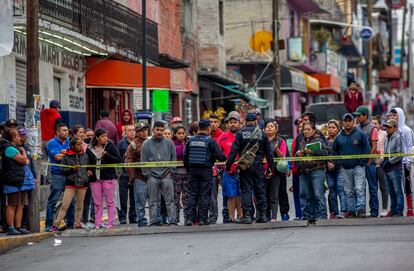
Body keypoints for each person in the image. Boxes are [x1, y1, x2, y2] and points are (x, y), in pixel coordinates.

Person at [226, 112, 274, 224]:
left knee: (246, 190)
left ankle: (247, 216)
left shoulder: (240, 133)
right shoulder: (262, 134)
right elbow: (269, 153)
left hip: (245, 166)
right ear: (256, 121)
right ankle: (262, 215)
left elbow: (233, 152)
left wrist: (228, 165)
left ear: (245, 121)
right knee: (260, 190)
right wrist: (271, 168)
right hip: (258, 165)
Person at [184, 119, 226, 226]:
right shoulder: (211, 141)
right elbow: (220, 157)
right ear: (208, 129)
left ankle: (189, 219)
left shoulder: (190, 141)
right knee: (204, 195)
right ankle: (203, 219)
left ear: (198, 129)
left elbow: (185, 158)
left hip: (193, 171)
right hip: (206, 171)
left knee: (192, 195)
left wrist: (189, 170)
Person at [332, 113, 371, 218]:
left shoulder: (360, 134)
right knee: (348, 191)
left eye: (350, 121)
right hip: (344, 169)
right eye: (346, 121)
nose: (348, 123)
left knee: (359, 188)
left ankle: (361, 209)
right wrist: (339, 163)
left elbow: (367, 149)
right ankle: (352, 211)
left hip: (358, 167)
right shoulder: (338, 137)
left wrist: (362, 162)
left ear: (353, 122)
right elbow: (333, 152)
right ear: (342, 122)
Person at [141, 121, 177, 226]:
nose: (160, 132)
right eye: (157, 130)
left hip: (167, 175)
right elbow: (144, 160)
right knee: (153, 201)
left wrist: (171, 171)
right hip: (152, 176)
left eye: (162, 130)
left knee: (170, 200)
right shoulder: (146, 144)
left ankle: (172, 220)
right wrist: (148, 175)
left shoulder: (170, 143)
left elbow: (173, 158)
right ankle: (154, 220)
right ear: (153, 130)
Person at [51, 137, 91, 231]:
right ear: (72, 146)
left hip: (82, 183)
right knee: (65, 205)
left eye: (81, 144)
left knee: (80, 206)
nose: (80, 146)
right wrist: (72, 169)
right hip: (70, 184)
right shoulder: (66, 156)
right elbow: (62, 171)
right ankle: (56, 224)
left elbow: (88, 166)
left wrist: (88, 171)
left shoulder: (85, 155)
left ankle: (77, 223)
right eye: (78, 144)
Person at [1, 128, 34, 235]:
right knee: (12, 205)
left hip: (20, 180)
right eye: (18, 136)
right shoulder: (9, 148)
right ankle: (11, 227)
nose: (19, 137)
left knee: (20, 205)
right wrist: (23, 152)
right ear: (14, 138)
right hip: (12, 180)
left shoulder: (15, 147)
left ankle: (18, 226)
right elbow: (24, 160)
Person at [86, 128, 121, 229]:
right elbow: (87, 161)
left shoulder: (110, 146)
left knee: (110, 201)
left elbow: (118, 159)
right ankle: (98, 223)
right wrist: (88, 169)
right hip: (95, 179)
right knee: (97, 202)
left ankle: (111, 223)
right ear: (97, 137)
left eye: (106, 136)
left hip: (108, 177)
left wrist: (106, 155)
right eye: (102, 136)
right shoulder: (90, 148)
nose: (105, 138)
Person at [296, 122, 328, 223]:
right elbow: (298, 156)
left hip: (317, 170)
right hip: (305, 171)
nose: (306, 131)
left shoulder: (318, 140)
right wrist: (298, 154)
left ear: (314, 130)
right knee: (307, 195)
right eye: (304, 129)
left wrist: (312, 152)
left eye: (308, 129)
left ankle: (322, 215)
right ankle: (309, 216)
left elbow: (325, 153)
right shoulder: (301, 142)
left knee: (318, 194)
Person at [45, 123, 74, 232]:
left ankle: (70, 223)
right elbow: (57, 157)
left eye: (67, 130)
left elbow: (75, 153)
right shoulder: (52, 143)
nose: (66, 132)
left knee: (71, 200)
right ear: (57, 132)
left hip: (69, 173)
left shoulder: (68, 141)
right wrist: (68, 152)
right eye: (63, 130)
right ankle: (48, 225)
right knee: (53, 200)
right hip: (58, 174)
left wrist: (64, 152)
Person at [354, 106, 379, 217]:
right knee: (360, 188)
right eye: (356, 115)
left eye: (359, 115)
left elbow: (374, 147)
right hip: (359, 163)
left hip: (370, 163)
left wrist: (369, 161)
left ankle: (374, 211)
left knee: (373, 188)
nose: (357, 117)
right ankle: (361, 210)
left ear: (365, 115)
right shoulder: (356, 128)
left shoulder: (372, 128)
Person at [389, 107, 414, 216]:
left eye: (395, 115)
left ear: (400, 115)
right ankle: (394, 208)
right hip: (393, 163)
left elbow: (411, 146)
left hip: (404, 162)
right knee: (394, 187)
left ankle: (410, 208)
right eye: (391, 115)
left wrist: (408, 160)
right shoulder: (390, 129)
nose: (393, 117)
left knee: (407, 185)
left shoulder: (407, 130)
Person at [218, 112, 242, 223]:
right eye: (230, 122)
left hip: (242, 170)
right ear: (227, 124)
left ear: (239, 123)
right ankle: (231, 218)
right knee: (231, 196)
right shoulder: (222, 137)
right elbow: (217, 153)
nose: (233, 124)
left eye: (235, 122)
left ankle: (241, 216)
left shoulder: (242, 135)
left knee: (241, 195)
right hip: (227, 171)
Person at [125, 122, 149, 227]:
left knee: (154, 200)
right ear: (137, 133)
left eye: (145, 130)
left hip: (152, 176)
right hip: (139, 177)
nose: (144, 133)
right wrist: (132, 175)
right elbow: (128, 160)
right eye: (141, 131)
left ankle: (155, 218)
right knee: (140, 200)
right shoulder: (133, 145)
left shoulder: (151, 142)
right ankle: (141, 218)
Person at [264, 119, 288, 221]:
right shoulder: (262, 140)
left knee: (274, 195)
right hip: (263, 171)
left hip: (276, 172)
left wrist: (276, 149)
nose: (269, 128)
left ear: (275, 129)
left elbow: (283, 157)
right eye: (267, 126)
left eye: (271, 126)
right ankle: (266, 215)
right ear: (264, 129)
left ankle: (274, 217)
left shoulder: (280, 141)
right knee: (264, 195)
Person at [381, 119, 404, 217]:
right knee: (391, 191)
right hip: (387, 168)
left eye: (390, 127)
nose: (387, 128)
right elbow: (386, 152)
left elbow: (400, 154)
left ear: (395, 127)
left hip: (395, 168)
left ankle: (399, 211)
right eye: (386, 126)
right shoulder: (387, 138)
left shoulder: (398, 137)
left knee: (397, 190)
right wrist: (383, 161)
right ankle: (393, 210)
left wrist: (389, 161)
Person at [325, 120, 346, 219]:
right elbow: (323, 154)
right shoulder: (324, 141)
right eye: (329, 127)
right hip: (328, 171)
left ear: (338, 129)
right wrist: (327, 163)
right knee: (332, 191)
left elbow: (343, 155)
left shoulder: (341, 140)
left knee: (340, 189)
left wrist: (334, 163)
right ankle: (334, 211)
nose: (331, 129)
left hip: (340, 169)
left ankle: (343, 211)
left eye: (333, 127)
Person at [117, 125, 137, 224]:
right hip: (124, 174)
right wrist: (118, 172)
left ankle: (133, 217)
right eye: (129, 131)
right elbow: (117, 158)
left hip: (136, 174)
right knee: (123, 197)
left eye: (133, 130)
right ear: (125, 132)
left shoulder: (138, 142)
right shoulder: (121, 144)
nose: (132, 132)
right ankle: (122, 217)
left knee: (134, 197)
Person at [372, 116, 389, 217]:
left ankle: (384, 208)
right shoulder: (370, 133)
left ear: (380, 125)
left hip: (381, 164)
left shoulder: (384, 134)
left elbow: (387, 147)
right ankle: (374, 210)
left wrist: (384, 158)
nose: (373, 125)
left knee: (383, 187)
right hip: (372, 164)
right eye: (372, 123)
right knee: (373, 188)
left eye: (375, 124)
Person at [171, 126, 189, 224]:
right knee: (175, 198)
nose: (181, 135)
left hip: (187, 174)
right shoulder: (172, 144)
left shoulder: (188, 143)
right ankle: (175, 219)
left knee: (186, 198)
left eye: (183, 133)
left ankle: (187, 219)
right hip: (176, 174)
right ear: (175, 134)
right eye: (179, 133)